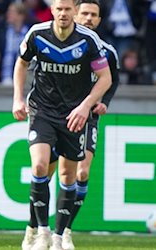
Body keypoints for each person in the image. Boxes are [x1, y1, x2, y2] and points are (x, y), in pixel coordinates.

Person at [20, 1, 121, 249]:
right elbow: (21, 63)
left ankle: (63, 232)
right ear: (53, 10)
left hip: (80, 116)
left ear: (98, 19)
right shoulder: (38, 33)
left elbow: (110, 79)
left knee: (77, 173)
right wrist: (17, 98)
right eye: (84, 12)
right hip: (45, 110)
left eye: (92, 14)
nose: (87, 18)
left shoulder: (101, 48)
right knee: (42, 167)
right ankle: (36, 229)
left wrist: (98, 103)